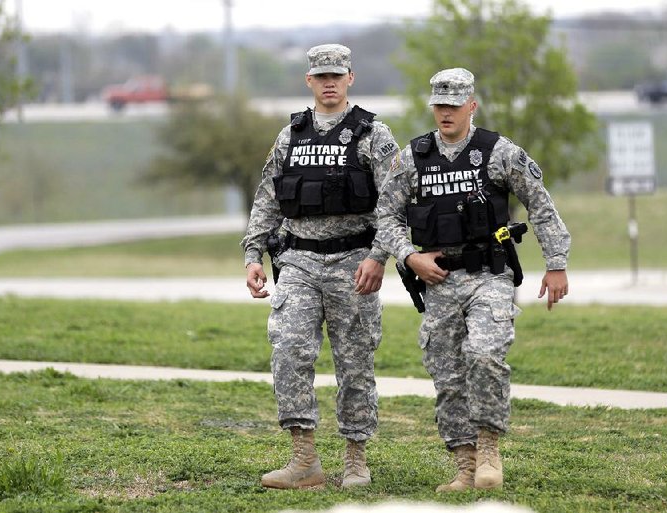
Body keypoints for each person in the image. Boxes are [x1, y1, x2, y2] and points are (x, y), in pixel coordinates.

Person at [376, 68, 570, 491]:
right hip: (438, 281)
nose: (445, 113)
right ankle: (464, 465)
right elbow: (385, 216)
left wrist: (556, 262)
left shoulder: (499, 152)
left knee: (485, 355)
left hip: (490, 275)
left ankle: (488, 451)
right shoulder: (413, 157)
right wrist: (410, 256)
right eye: (439, 105)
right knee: (447, 375)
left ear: (471, 105)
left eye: (453, 105)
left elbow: (540, 204)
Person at [240, 43, 400, 490]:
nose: (329, 83)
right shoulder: (291, 135)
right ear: (309, 81)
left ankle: (355, 459)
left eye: (337, 75)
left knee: (354, 364)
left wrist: (378, 257)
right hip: (299, 261)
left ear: (351, 78)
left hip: (355, 264)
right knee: (289, 353)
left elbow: (395, 204)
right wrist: (253, 254)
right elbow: (268, 198)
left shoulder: (374, 134)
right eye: (321, 76)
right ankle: (304, 460)